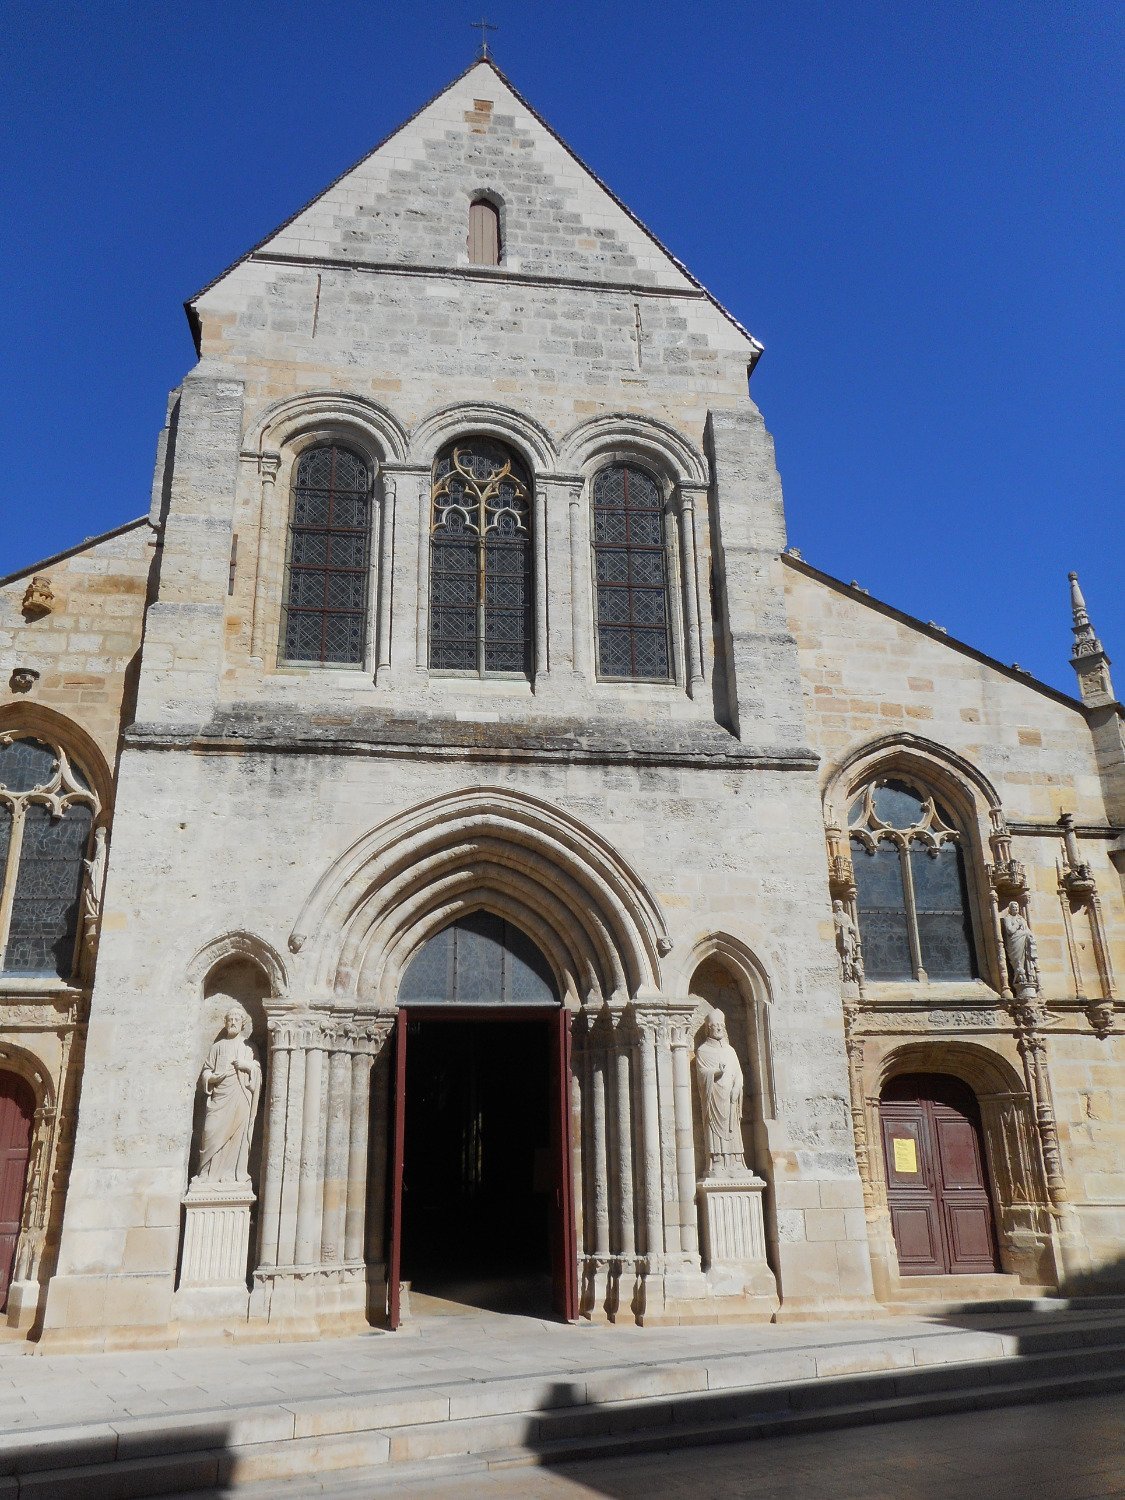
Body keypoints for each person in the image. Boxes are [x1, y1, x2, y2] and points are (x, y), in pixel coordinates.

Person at [196, 1003, 261, 1184]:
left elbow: (257, 1070)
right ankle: (208, 1174)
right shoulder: (217, 1046)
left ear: (242, 1024)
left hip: (240, 1095)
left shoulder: (249, 1047)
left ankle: (231, 1174)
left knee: (236, 1135)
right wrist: (212, 1078)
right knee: (211, 1130)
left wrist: (246, 1065)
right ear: (225, 1023)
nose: (233, 1022)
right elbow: (207, 1070)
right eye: (230, 1019)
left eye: (236, 1020)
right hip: (219, 1097)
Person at [695, 1008, 746, 1176]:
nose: (718, 1028)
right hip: (714, 1097)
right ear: (708, 1028)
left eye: (721, 1025)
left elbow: (738, 1073)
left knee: (734, 1130)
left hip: (731, 1098)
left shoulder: (730, 1051)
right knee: (715, 1129)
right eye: (714, 1025)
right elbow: (702, 1073)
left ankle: (736, 1161)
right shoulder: (703, 1050)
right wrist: (715, 1072)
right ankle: (717, 1161)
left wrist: (737, 1088)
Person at [1001, 902, 1038, 992]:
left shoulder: (1021, 918)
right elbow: (1010, 930)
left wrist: (1031, 937)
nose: (1015, 908)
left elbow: (1028, 930)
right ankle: (1019, 979)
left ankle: (1029, 979)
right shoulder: (1007, 918)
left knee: (1027, 960)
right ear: (1010, 909)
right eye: (1013, 907)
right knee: (1017, 961)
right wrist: (1018, 925)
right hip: (1015, 942)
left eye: (1017, 907)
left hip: (1024, 941)